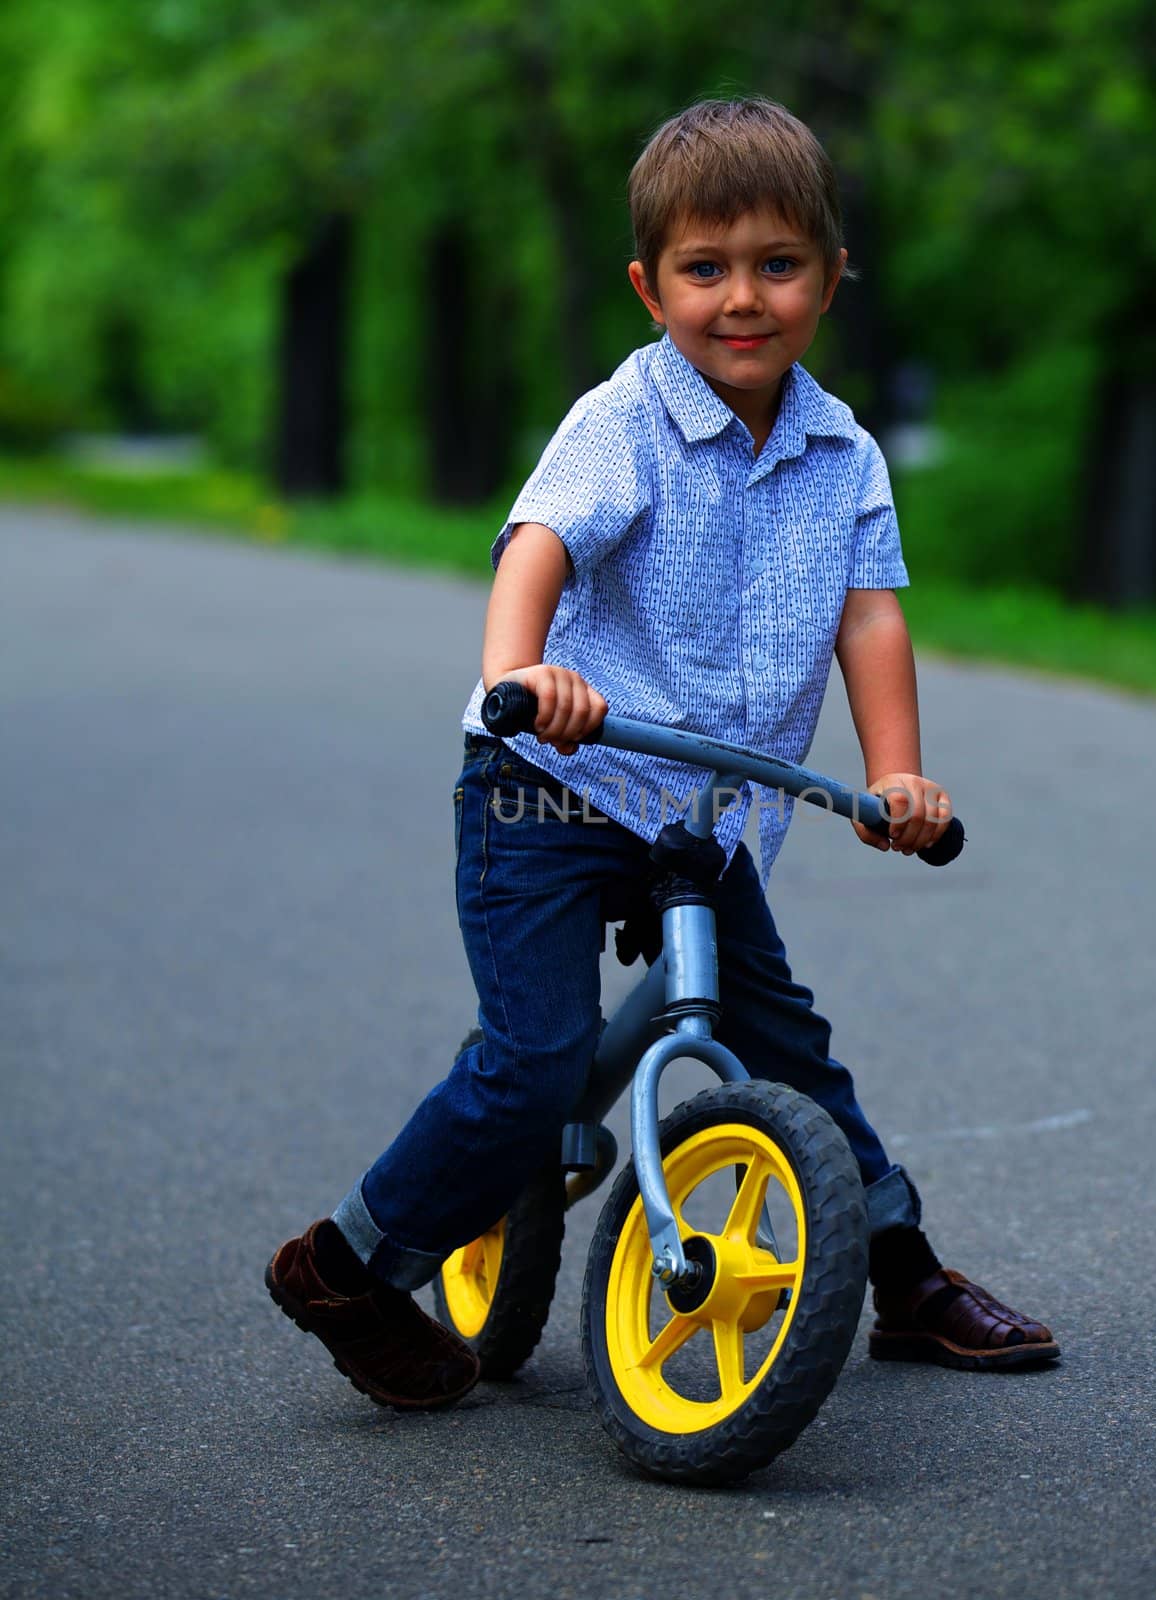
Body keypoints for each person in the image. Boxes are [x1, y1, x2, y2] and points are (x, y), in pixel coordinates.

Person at [267, 96, 1058, 1411]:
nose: (741, 299)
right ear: (650, 287)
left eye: (777, 265)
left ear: (830, 277)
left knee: (789, 1052)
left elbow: (870, 614)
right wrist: (521, 675)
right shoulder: (624, 421)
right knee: (530, 1060)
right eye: (705, 268)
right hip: (554, 786)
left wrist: (899, 772)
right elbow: (539, 547)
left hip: (707, 816)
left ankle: (903, 1276)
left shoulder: (843, 452)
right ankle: (349, 1264)